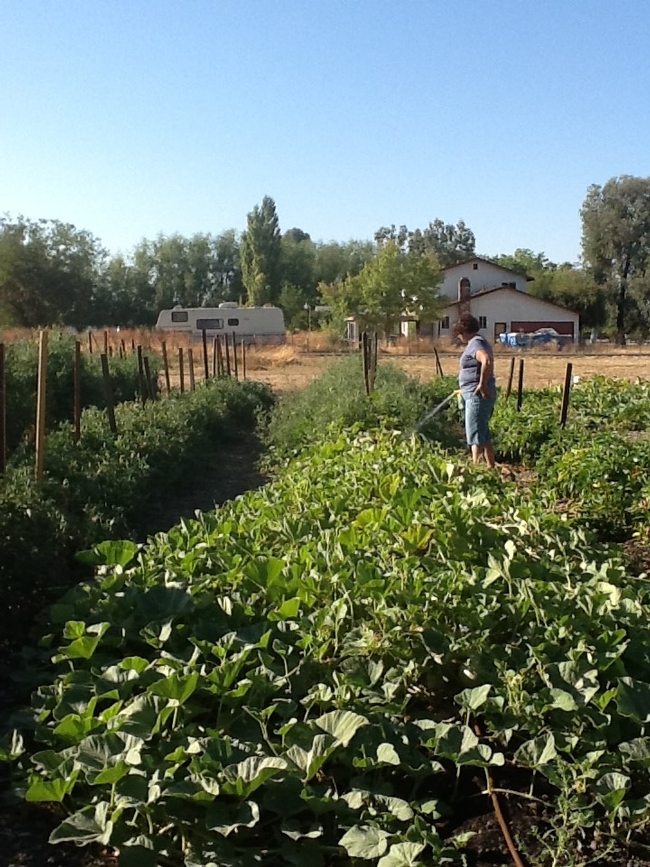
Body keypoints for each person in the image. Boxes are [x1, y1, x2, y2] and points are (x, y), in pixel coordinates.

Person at [452, 312, 497, 467]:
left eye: (458, 334)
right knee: (482, 432)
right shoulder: (477, 342)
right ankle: (491, 467)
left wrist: (482, 384)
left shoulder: (476, 343)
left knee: (475, 432)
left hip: (477, 395)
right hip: (472, 394)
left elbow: (487, 360)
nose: (458, 338)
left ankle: (475, 468)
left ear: (463, 331)